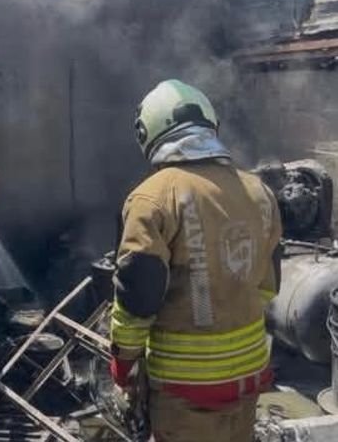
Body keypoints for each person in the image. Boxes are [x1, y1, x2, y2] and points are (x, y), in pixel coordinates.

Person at [109, 80, 281, 442]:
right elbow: (267, 286)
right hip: (250, 377)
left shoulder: (153, 198)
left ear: (148, 133)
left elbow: (138, 299)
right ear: (210, 124)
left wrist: (123, 362)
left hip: (185, 392)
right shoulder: (258, 190)